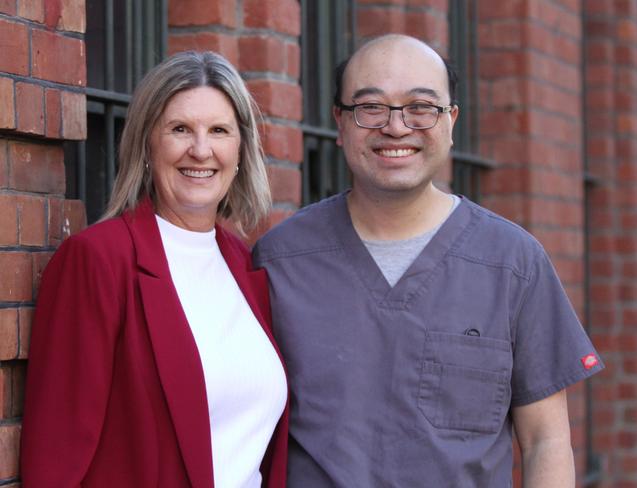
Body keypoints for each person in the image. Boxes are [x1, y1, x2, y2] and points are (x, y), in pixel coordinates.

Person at [253, 34, 603, 487]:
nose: (397, 127)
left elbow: (546, 442)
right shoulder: (280, 261)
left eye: (421, 107)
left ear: (451, 120)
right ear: (340, 123)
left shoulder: (512, 263)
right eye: (371, 107)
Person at [21, 51, 289, 488]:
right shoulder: (97, 260)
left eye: (218, 131)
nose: (200, 150)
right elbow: (56, 458)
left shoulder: (245, 264)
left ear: (240, 149)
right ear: (148, 143)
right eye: (180, 129)